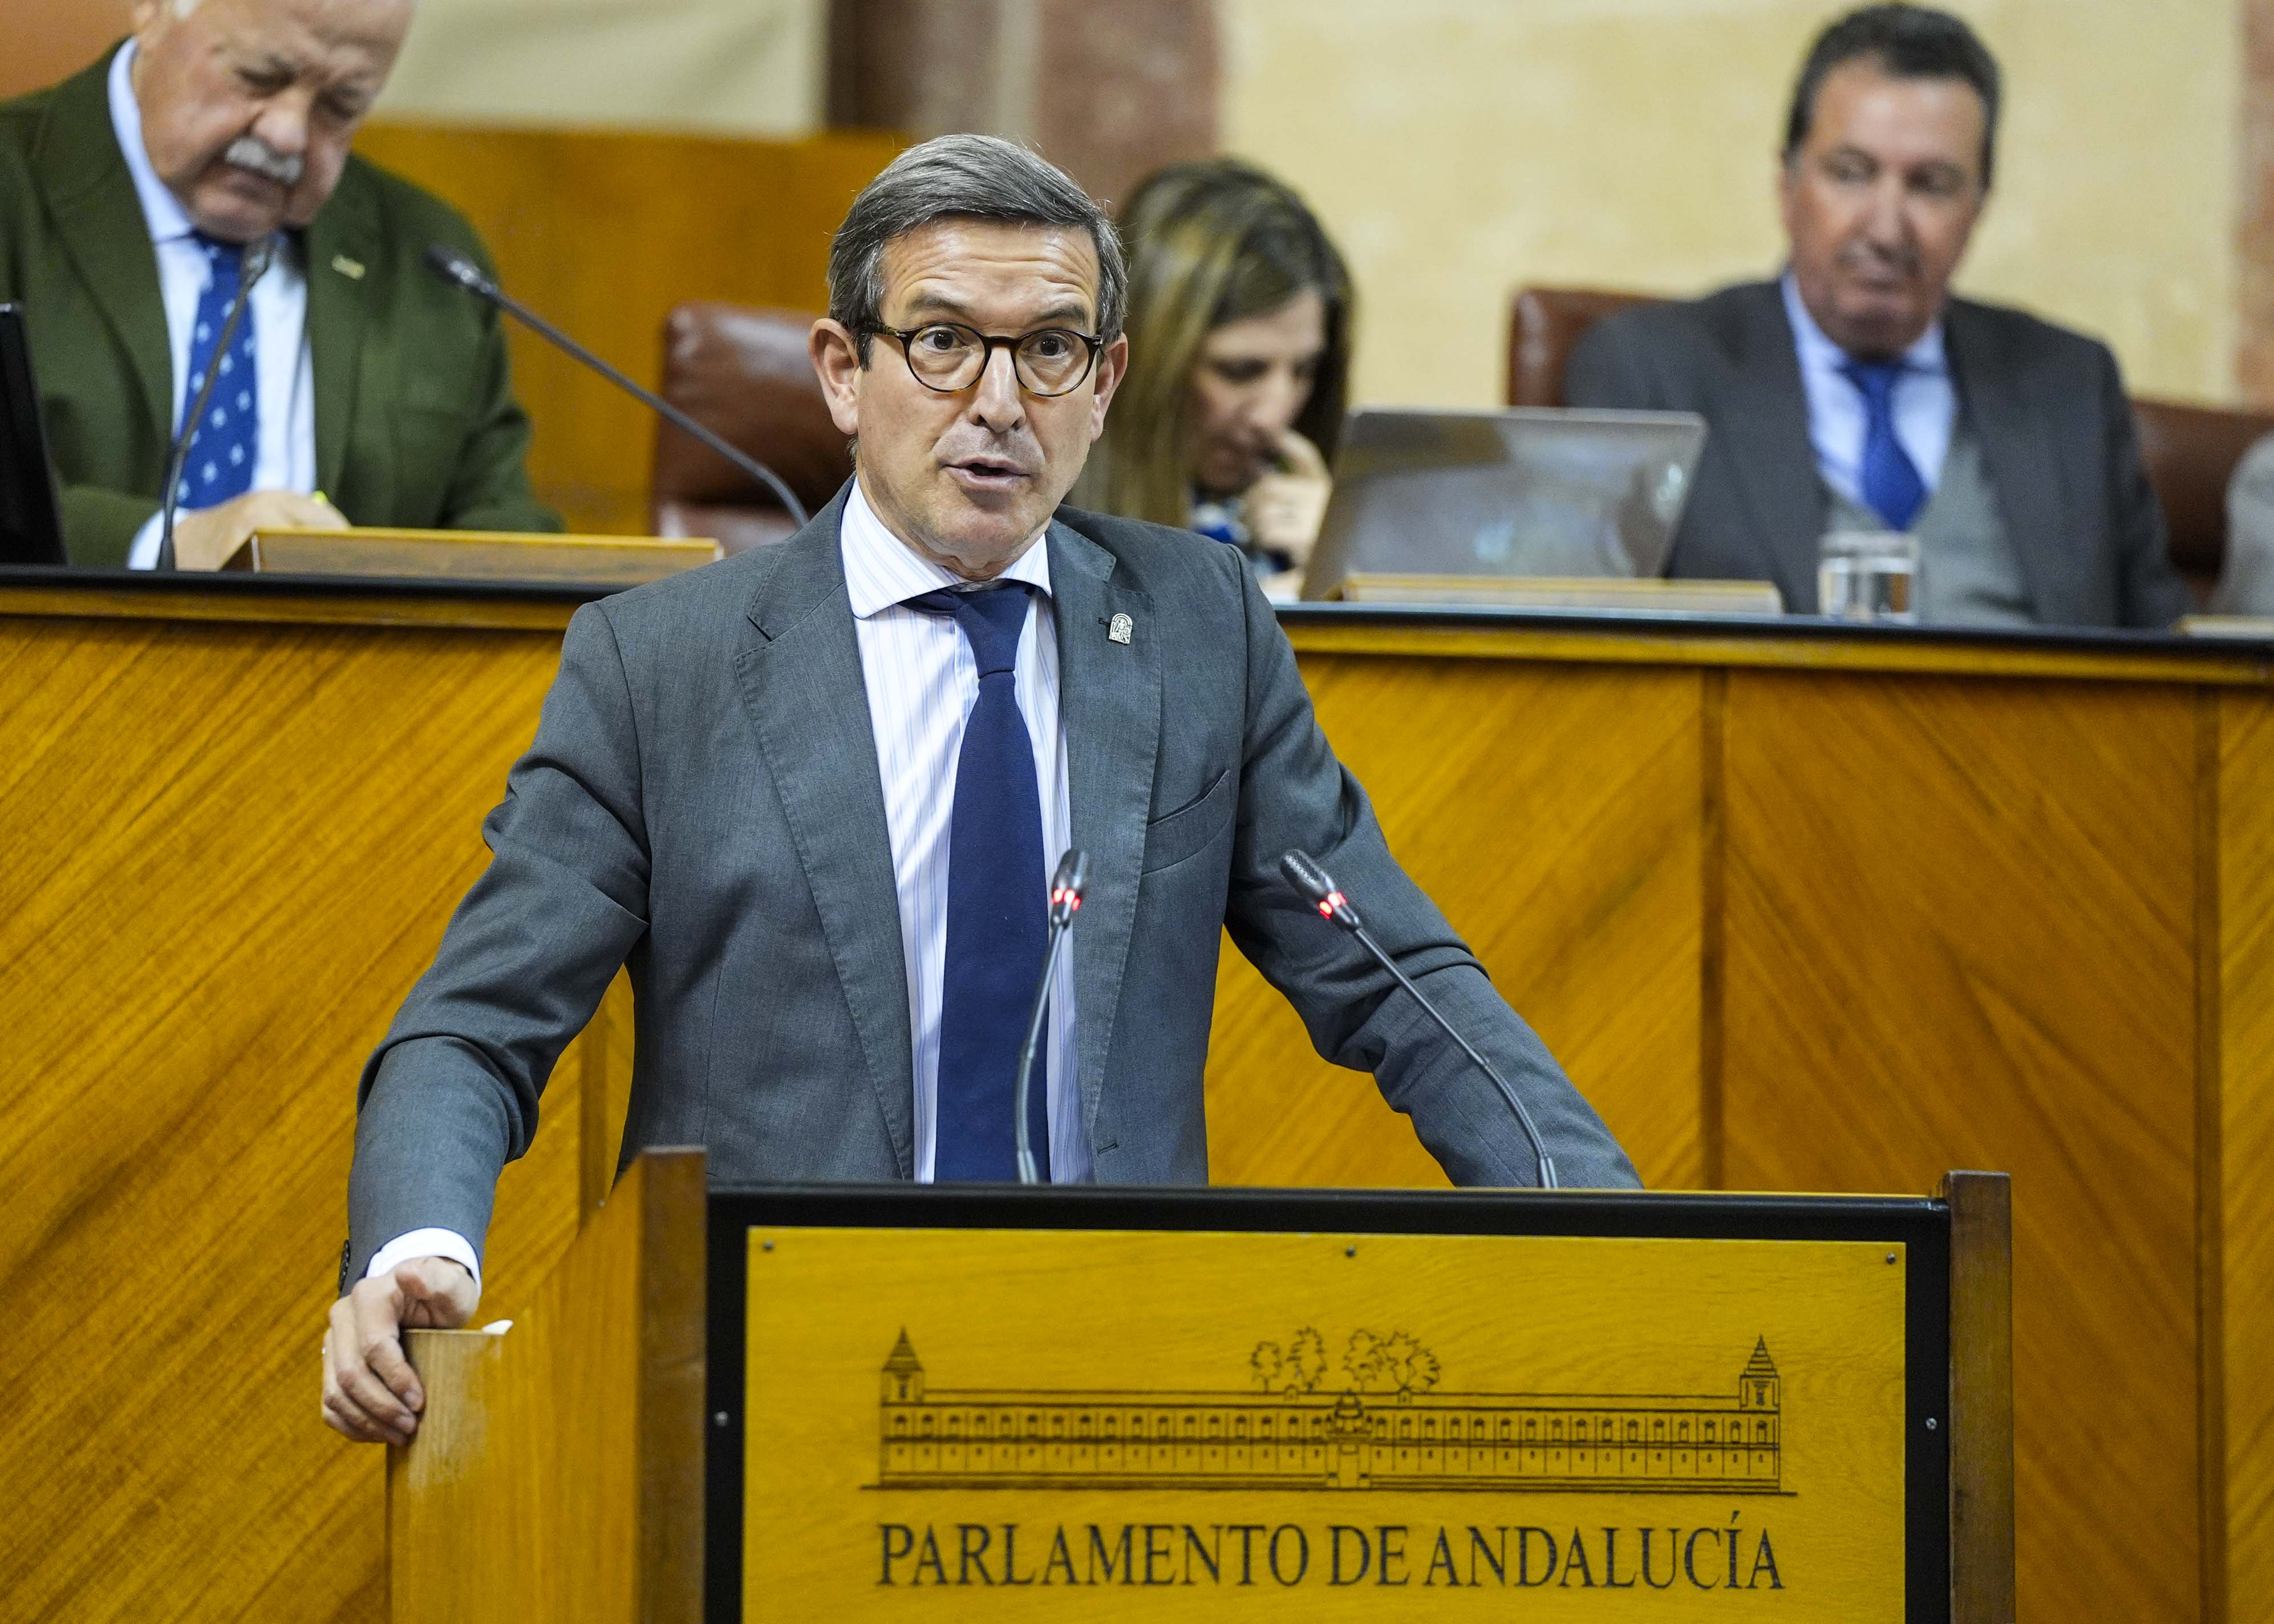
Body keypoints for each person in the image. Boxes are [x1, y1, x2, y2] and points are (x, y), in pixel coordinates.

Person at [321, 133, 1639, 1444]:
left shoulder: (1199, 628)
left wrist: (1596, 1207)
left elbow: (1388, 972)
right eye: (943, 341)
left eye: (1050, 348)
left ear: (1107, 380)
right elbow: (477, 1023)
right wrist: (417, 1241)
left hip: (1116, 1364)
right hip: (762, 1376)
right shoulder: (660, 666)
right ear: (843, 372)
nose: (999, 401)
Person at [1566, 3, 2188, 630]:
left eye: (1931, 185)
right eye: (1851, 174)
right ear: (1787, 185)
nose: (1887, 228)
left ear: (1978, 208)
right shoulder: (1653, 373)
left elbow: (2172, 670)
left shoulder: (2069, 384)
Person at [0, 0, 557, 571]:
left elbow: (500, 521)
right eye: (258, 77)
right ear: (153, 12)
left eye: (340, 106)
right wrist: (166, 546)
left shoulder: (430, 259)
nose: (287, 134)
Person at [1074, 159, 1352, 600]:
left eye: (1304, 371)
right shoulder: (1047, 521)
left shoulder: (1316, 508)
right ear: (1140, 361)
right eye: (1239, 371)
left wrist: (1342, 561)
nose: (1274, 414)